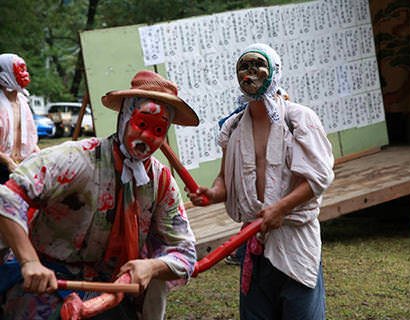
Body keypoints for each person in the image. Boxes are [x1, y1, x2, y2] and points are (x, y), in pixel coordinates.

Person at [0, 70, 199, 320]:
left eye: (158, 129)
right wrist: (29, 262)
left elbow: (185, 252)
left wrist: (151, 266)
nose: (147, 136)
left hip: (111, 289)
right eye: (142, 124)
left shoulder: (161, 182)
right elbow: (8, 196)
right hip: (44, 283)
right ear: (125, 117)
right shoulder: (75, 159)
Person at [188, 43, 335, 319]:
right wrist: (212, 194)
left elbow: (319, 177)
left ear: (274, 71)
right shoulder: (232, 126)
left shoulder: (299, 119)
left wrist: (281, 208)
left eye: (258, 65)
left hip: (295, 241)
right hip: (252, 245)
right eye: (244, 66)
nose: (250, 72)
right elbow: (225, 179)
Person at [0, 53, 39, 184]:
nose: (24, 74)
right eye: (19, 69)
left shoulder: (23, 103)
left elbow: (30, 141)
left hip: (21, 166)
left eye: (24, 69)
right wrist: (8, 162)